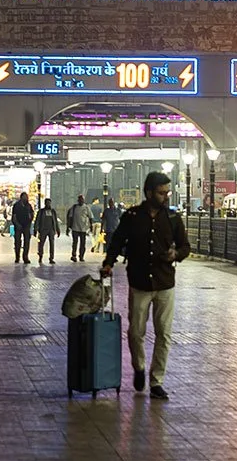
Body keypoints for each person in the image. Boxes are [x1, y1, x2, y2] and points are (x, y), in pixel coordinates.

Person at [101, 170, 191, 401]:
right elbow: (117, 241)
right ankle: (139, 366)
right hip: (139, 282)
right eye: (161, 193)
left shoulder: (172, 219)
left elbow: (185, 247)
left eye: (167, 192)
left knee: (164, 334)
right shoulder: (132, 217)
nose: (165, 197)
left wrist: (176, 254)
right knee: (135, 331)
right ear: (149, 192)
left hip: (165, 283)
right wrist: (109, 263)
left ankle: (156, 380)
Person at [66, 195, 91, 262]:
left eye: (82, 199)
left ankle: (81, 256)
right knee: (75, 243)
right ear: (78, 200)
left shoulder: (86, 207)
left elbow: (90, 217)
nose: (81, 201)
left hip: (83, 228)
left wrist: (90, 226)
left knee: (83, 243)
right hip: (75, 228)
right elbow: (70, 218)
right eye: (80, 199)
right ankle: (74, 255)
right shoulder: (74, 208)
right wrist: (68, 227)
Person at [11, 192, 34, 264]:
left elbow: (32, 214)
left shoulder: (29, 205)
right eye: (25, 197)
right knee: (17, 242)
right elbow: (14, 216)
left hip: (26, 225)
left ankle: (25, 257)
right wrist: (17, 224)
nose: (26, 198)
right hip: (18, 226)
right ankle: (17, 257)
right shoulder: (16, 205)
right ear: (21, 197)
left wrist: (30, 220)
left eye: (27, 197)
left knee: (27, 241)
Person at [35, 198, 59, 262]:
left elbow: (55, 221)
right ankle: (40, 256)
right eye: (47, 203)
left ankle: (51, 258)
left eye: (49, 203)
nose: (48, 204)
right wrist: (36, 229)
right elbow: (37, 220)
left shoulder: (53, 211)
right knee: (41, 243)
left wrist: (57, 229)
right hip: (43, 230)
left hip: (51, 230)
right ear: (45, 203)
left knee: (52, 244)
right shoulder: (41, 211)